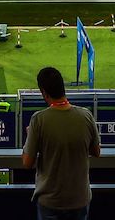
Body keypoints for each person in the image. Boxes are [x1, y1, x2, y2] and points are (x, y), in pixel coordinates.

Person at [22, 67, 100, 219]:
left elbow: (27, 162)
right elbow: (96, 151)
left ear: (44, 93)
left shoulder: (38, 120)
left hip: (51, 202)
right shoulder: (86, 115)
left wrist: (31, 136)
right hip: (79, 199)